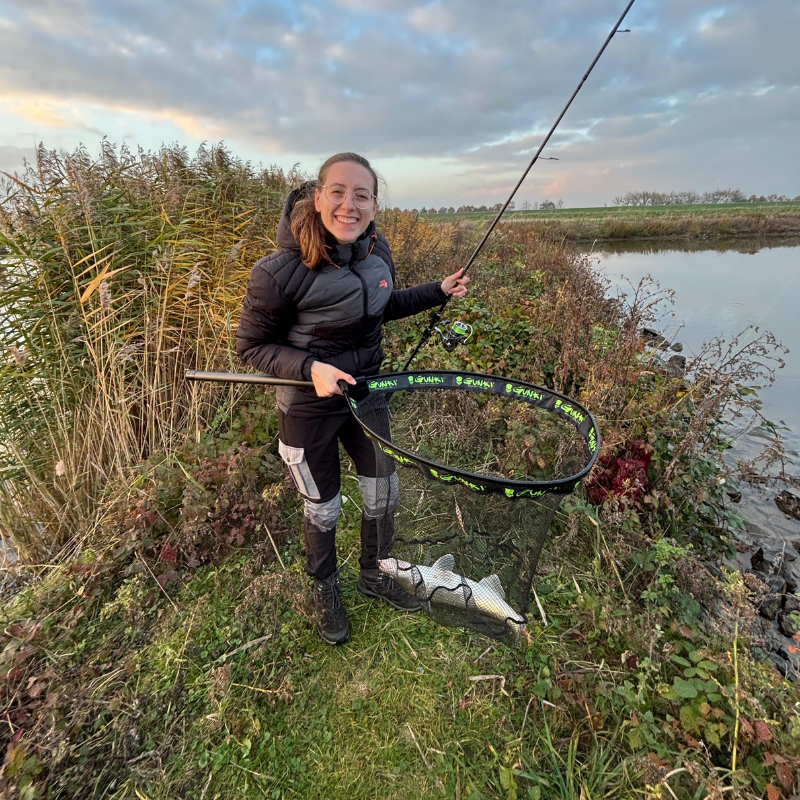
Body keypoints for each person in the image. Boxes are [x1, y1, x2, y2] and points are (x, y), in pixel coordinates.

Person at [236, 152, 469, 645]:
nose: (350, 205)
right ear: (318, 197)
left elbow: (380, 306)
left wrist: (437, 291)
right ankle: (325, 590)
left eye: (362, 195)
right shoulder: (277, 271)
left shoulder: (377, 252)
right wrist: (310, 369)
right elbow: (252, 347)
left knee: (384, 491)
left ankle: (375, 573)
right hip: (307, 406)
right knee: (323, 508)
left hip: (367, 395)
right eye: (338, 192)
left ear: (374, 205)